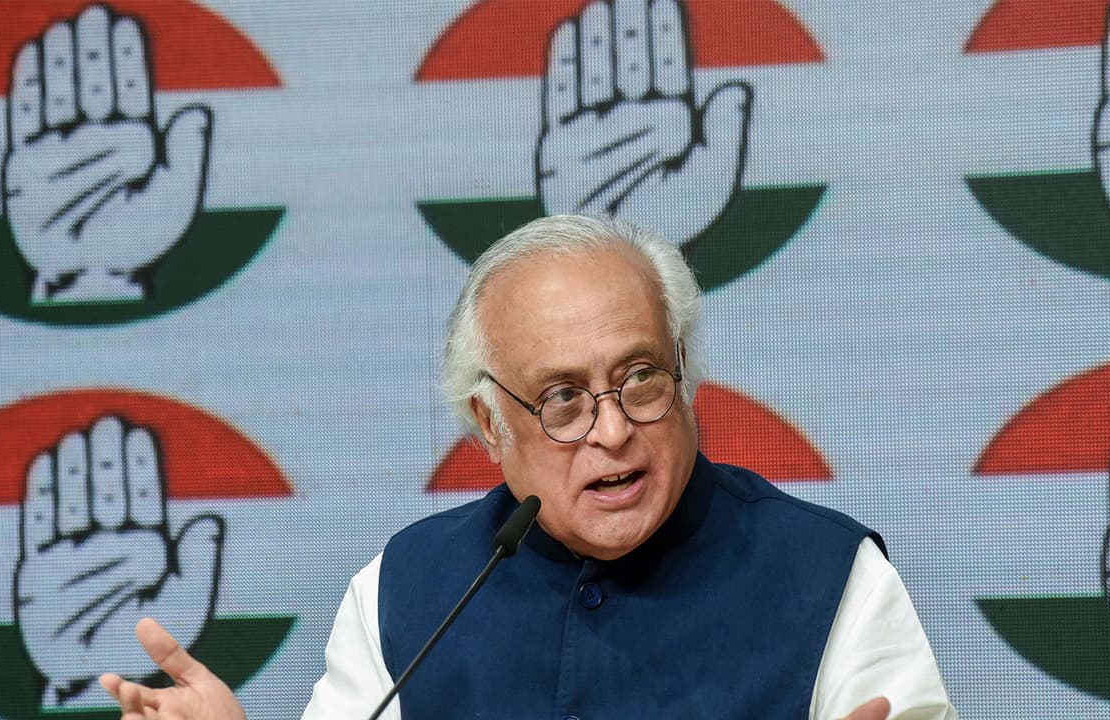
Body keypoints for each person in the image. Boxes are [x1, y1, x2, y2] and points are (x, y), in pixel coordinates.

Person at [100, 215, 956, 719]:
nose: (612, 431)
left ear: (685, 373)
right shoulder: (405, 592)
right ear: (488, 424)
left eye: (641, 377)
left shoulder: (830, 577)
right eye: (562, 399)